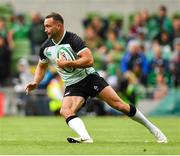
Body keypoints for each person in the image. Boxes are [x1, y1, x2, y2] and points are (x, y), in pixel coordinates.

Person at [25, 12, 168, 144]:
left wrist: (68, 63)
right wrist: (36, 82)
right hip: (73, 85)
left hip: (89, 78)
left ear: (59, 25)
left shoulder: (73, 39)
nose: (45, 30)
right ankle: (86, 137)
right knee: (65, 110)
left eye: (48, 26)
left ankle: (153, 129)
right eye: (44, 26)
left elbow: (89, 60)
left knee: (119, 105)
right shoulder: (45, 47)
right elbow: (41, 66)